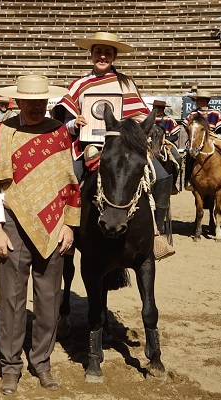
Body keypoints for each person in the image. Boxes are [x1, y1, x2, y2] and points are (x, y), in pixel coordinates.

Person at [0, 75, 78, 396]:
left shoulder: (59, 133)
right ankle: (11, 366)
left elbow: (70, 182)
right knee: (12, 300)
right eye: (28, 101)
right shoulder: (0, 133)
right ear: (17, 101)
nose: (34, 106)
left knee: (49, 299)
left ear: (48, 102)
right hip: (12, 223)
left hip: (54, 225)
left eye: (40, 101)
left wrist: (70, 225)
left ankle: (42, 361)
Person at [54, 31, 174, 260]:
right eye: (98, 51)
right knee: (67, 181)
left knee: (163, 176)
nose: (102, 56)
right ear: (91, 54)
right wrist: (74, 124)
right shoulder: (78, 84)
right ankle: (66, 233)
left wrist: (133, 131)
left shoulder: (125, 83)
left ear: (114, 56)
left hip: (123, 148)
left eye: (107, 52)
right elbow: (63, 120)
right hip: (87, 146)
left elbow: (138, 114)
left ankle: (155, 232)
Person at [181, 89, 221, 191]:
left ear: (205, 101)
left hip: (214, 138)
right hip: (198, 139)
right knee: (189, 154)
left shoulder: (216, 112)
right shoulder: (193, 114)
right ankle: (188, 179)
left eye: (199, 100)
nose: (197, 102)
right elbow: (187, 126)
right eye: (196, 100)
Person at [153, 99, 182, 194]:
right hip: (150, 143)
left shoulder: (169, 120)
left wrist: (166, 141)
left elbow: (175, 135)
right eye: (154, 107)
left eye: (157, 108)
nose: (155, 109)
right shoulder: (147, 119)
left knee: (177, 158)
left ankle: (173, 184)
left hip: (166, 142)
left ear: (162, 109)